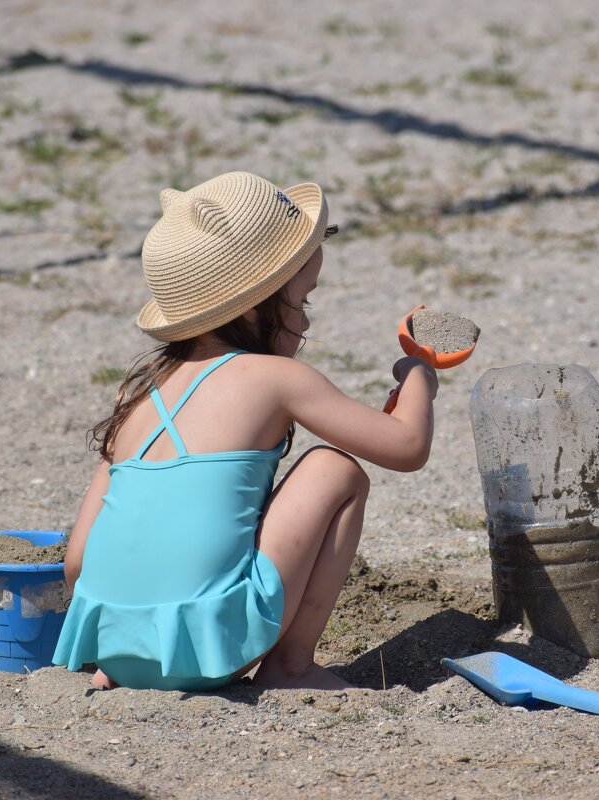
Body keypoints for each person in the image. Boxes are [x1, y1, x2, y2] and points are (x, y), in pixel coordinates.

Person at [53, 171, 438, 692]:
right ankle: (290, 666)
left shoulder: (137, 396)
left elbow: (78, 560)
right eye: (301, 302)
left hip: (114, 648)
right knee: (335, 468)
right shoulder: (277, 378)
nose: (304, 323)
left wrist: (116, 640)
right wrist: (418, 377)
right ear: (257, 305)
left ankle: (127, 657)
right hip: (214, 647)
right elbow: (408, 447)